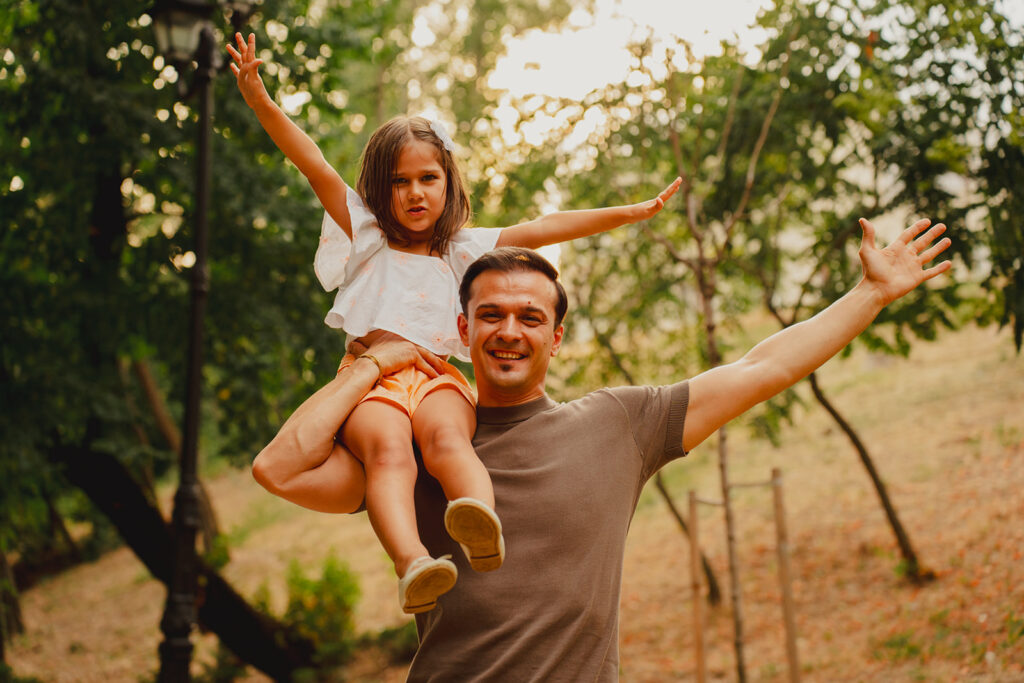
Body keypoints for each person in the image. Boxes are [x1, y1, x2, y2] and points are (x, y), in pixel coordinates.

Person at [253, 212, 951, 680]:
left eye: (531, 317)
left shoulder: (619, 423)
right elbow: (280, 467)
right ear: (461, 332)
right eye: (490, 315)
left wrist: (869, 294)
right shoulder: (412, 451)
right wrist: (378, 362)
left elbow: (760, 367)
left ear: (556, 338)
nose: (509, 331)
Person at [227, 32, 681, 614]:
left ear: (448, 183)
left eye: (427, 178)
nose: (414, 193)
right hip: (372, 381)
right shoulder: (364, 236)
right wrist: (260, 99)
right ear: (378, 188)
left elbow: (546, 226)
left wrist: (630, 212)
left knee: (446, 439)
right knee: (389, 453)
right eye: (399, 181)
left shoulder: (461, 250)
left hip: (437, 375)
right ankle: (413, 562)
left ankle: (479, 523)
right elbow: (309, 159)